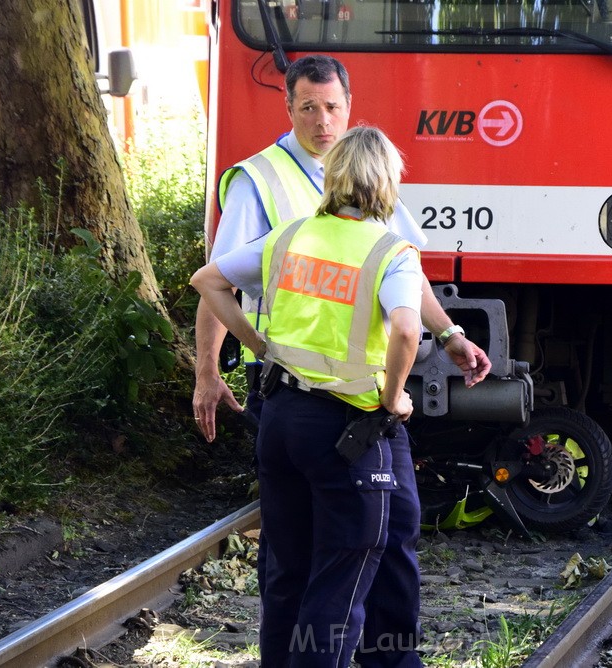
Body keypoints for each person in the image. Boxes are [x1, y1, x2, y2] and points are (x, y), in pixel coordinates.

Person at [191, 126, 424, 666]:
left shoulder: (291, 237)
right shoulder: (391, 250)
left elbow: (209, 280)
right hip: (346, 432)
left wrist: (260, 345)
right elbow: (408, 331)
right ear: (388, 182)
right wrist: (393, 398)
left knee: (287, 569)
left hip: (281, 418)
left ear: (333, 175)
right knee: (340, 582)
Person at [193, 54, 490, 442]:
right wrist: (208, 373)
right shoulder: (257, 180)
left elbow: (406, 271)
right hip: (286, 379)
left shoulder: (364, 173)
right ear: (289, 109)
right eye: (308, 108)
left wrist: (450, 334)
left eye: (332, 107)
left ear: (349, 104)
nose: (323, 120)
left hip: (362, 384)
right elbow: (218, 281)